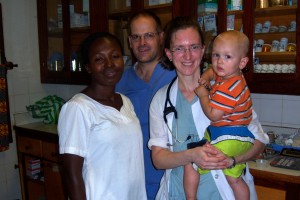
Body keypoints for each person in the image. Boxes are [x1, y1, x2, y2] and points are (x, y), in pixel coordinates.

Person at [148, 16, 269, 200]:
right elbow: (158, 159)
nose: (187, 56)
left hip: (224, 194)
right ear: (169, 54)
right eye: (179, 48)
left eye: (194, 47)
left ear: (203, 50)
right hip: (177, 194)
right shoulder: (161, 99)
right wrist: (192, 155)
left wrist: (233, 160)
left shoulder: (228, 89)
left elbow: (259, 141)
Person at [58, 32, 147, 200]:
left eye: (115, 56)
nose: (109, 65)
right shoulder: (77, 108)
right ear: (88, 67)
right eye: (99, 59)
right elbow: (71, 174)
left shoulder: (126, 102)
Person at [183, 30, 254, 200]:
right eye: (216, 55)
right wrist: (206, 78)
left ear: (242, 62)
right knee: (234, 179)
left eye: (227, 57)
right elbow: (212, 71)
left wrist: (203, 95)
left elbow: (213, 115)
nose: (219, 61)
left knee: (191, 161)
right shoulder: (231, 75)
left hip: (230, 136)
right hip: (238, 135)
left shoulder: (228, 89)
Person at [116, 11, 176, 199]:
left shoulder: (177, 77)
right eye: (136, 37)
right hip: (131, 180)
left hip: (171, 178)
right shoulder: (119, 82)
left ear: (161, 37)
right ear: (129, 41)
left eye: (149, 35)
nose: (142, 43)